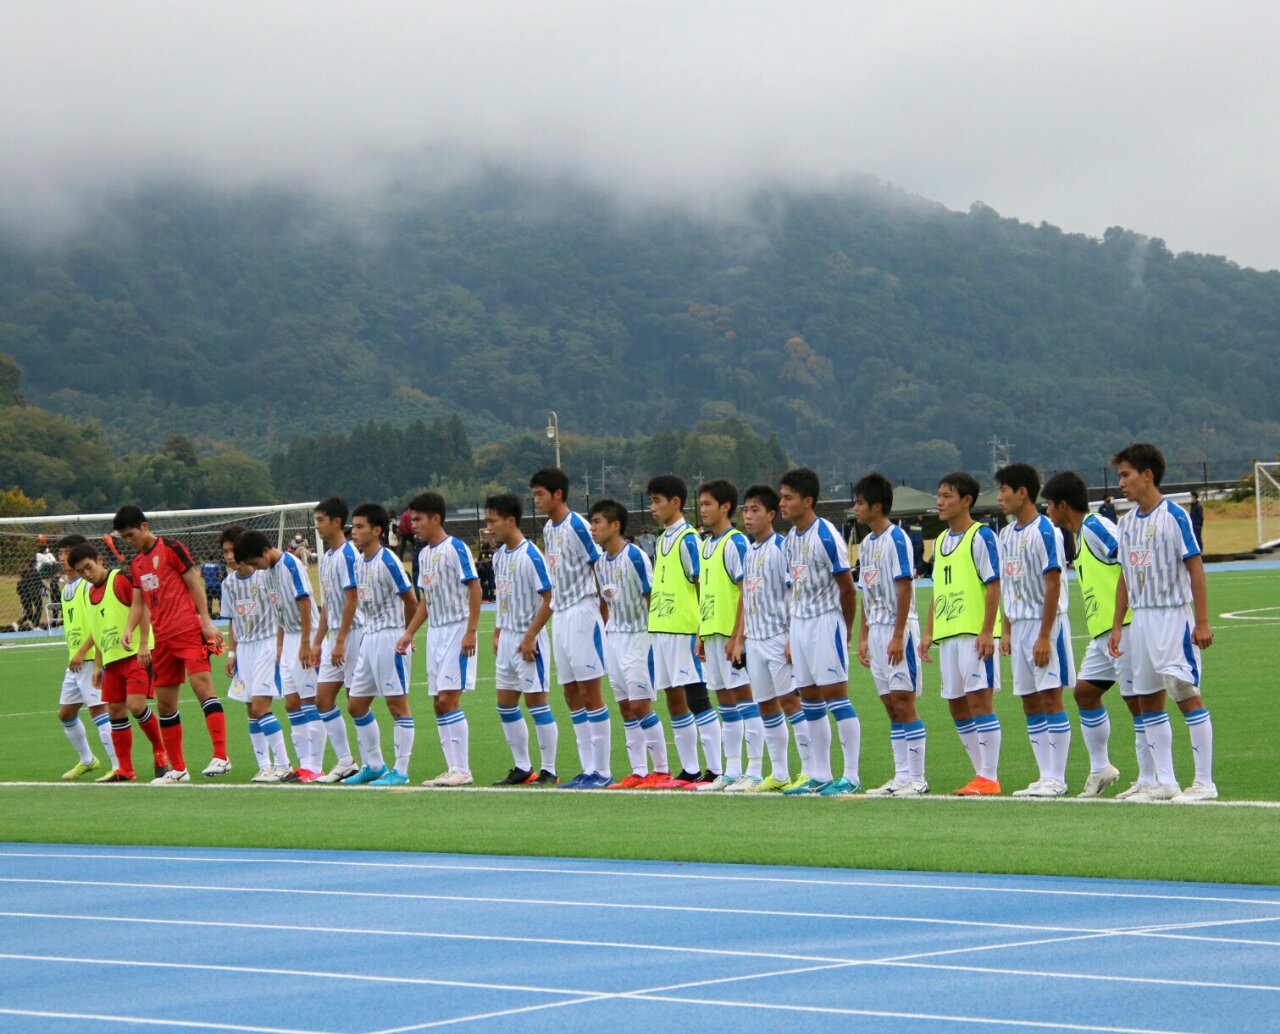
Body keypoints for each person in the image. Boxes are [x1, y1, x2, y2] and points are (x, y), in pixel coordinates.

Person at [1110, 443, 1216, 802]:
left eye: (1126, 475)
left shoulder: (1174, 516)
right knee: (1147, 700)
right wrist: (1116, 625)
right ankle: (1165, 781)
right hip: (1140, 621)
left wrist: (1201, 622)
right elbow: (1124, 575)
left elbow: (1195, 566)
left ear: (1147, 475)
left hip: (1173, 617)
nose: (1121, 483)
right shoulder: (1124, 525)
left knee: (1185, 694)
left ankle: (1204, 782)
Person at [114, 506, 230, 783]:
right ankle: (178, 769)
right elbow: (139, 601)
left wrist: (205, 622)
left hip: (188, 630)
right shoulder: (137, 564)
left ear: (143, 526)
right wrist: (133, 632)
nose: (129, 541)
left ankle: (222, 757)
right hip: (162, 638)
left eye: (131, 535)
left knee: (202, 687)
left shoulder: (171, 548)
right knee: (165, 705)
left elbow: (194, 583)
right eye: (124, 538)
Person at [1042, 471, 1131, 798]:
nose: (1047, 511)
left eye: (1049, 505)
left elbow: (1131, 560)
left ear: (1063, 505)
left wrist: (1122, 621)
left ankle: (1153, 776)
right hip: (1102, 635)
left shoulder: (1095, 527)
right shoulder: (1080, 534)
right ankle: (1101, 768)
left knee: (1139, 701)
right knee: (1085, 693)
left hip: (1124, 628)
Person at [778, 467, 861, 797]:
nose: (782, 503)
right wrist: (789, 633)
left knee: (837, 698)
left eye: (788, 498)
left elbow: (848, 589)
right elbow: (791, 591)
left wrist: (847, 628)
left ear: (807, 501)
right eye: (781, 497)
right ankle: (820, 773)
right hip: (799, 626)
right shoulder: (788, 542)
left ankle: (851, 776)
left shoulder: (826, 535)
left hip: (826, 622)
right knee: (809, 701)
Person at [919, 472, 1003, 796]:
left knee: (980, 701)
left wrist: (987, 631)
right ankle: (980, 775)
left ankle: (989, 777)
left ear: (966, 500)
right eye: (938, 495)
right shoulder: (940, 542)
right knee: (956, 704)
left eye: (947, 496)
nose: (939, 502)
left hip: (973, 634)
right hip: (948, 634)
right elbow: (939, 589)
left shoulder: (981, 536)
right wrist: (929, 632)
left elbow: (993, 584)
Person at [994, 463, 1075, 798]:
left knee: (1050, 697)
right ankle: (1044, 775)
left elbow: (1052, 585)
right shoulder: (1005, 534)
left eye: (1003, 491)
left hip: (1047, 626)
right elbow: (1009, 584)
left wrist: (1044, 635)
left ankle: (1057, 777)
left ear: (1022, 492)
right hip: (1020, 624)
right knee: (1029, 701)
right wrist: (1008, 628)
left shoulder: (1046, 531)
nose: (999, 497)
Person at [530, 468, 612, 789]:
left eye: (540, 494)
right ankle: (587, 768)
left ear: (558, 494)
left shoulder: (578, 525)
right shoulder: (550, 528)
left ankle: (602, 771)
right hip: (560, 614)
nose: (535, 500)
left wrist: (605, 616)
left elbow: (599, 566)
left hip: (583, 612)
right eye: (534, 494)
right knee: (570, 694)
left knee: (591, 693)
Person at [398, 491, 481, 787]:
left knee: (449, 699)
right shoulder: (423, 554)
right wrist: (409, 632)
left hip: (457, 631)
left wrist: (471, 631)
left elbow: (475, 588)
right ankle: (453, 768)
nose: (413, 525)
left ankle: (463, 769)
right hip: (436, 634)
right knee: (437, 702)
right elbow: (426, 601)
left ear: (436, 518)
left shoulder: (455, 548)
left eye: (418, 519)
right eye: (412, 520)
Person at [67, 541, 167, 782]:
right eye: (81, 572)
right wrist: (99, 665)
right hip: (112, 660)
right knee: (115, 712)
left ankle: (160, 752)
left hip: (135, 655)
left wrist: (144, 643)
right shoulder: (90, 594)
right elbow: (98, 632)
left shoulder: (119, 579)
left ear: (100, 560)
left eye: (89, 568)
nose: (87, 575)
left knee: (135, 705)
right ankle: (125, 769)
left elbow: (141, 608)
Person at [853, 475, 927, 796]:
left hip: (900, 631)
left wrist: (898, 635)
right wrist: (864, 636)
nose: (855, 508)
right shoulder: (866, 544)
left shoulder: (897, 539)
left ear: (877, 506)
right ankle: (900, 776)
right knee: (888, 704)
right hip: (878, 631)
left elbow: (905, 587)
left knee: (904, 701)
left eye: (859, 503)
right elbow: (866, 594)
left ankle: (918, 779)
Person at [729, 483, 807, 792]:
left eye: (755, 510)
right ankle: (779, 773)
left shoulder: (782, 548)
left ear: (771, 514)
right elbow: (747, 599)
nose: (748, 516)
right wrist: (739, 639)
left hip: (778, 637)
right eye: (745, 510)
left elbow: (795, 593)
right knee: (766, 706)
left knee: (791, 701)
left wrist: (792, 637)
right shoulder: (749, 552)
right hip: (756, 641)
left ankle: (810, 770)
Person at [588, 498, 669, 789]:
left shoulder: (635, 556)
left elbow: (651, 596)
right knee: (624, 706)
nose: (592, 528)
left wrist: (654, 636)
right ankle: (638, 771)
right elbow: (605, 603)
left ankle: (661, 770)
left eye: (597, 522)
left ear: (615, 525)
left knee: (640, 704)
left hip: (639, 637)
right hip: (615, 639)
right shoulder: (598, 563)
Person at [645, 474, 717, 789]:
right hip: (662, 630)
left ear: (675, 502)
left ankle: (714, 769)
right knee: (674, 699)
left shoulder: (689, 538)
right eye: (650, 501)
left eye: (657, 501)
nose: (652, 508)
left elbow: (702, 583)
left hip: (686, 631)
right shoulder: (662, 540)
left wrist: (702, 629)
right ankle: (689, 769)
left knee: (697, 697)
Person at [236, 530, 325, 781]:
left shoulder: (291, 564)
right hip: (287, 641)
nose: (256, 568)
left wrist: (306, 643)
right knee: (291, 703)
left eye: (255, 562)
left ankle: (316, 767)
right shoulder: (266, 573)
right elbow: (279, 612)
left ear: (265, 551)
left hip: (304, 636)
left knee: (310, 702)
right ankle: (304, 764)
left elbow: (305, 603)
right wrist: (279, 645)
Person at [486, 493, 559, 785]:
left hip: (530, 641)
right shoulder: (498, 556)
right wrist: (496, 630)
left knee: (537, 704)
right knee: (505, 705)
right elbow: (503, 599)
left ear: (511, 521)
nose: (489, 527)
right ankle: (522, 767)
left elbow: (550, 598)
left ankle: (550, 770)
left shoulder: (531, 556)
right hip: (506, 640)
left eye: (493, 521)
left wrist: (530, 636)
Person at [344, 503, 417, 786]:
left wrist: (407, 634)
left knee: (398, 707)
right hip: (369, 638)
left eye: (360, 526)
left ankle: (401, 770)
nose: (354, 531)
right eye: (354, 525)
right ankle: (374, 765)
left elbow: (411, 601)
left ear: (377, 530)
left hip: (390, 637)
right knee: (356, 705)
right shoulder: (358, 562)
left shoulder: (388, 560)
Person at [696, 479, 762, 792]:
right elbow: (706, 593)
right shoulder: (706, 544)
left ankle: (756, 770)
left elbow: (745, 592)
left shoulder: (736, 542)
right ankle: (732, 769)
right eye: (701, 504)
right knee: (725, 704)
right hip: (711, 633)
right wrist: (700, 632)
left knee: (746, 700)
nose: (702, 509)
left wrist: (738, 637)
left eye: (708, 504)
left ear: (726, 507)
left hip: (733, 636)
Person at [219, 526, 293, 783]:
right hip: (245, 650)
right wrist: (232, 653)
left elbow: (282, 609)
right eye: (225, 551)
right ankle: (265, 765)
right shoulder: (227, 584)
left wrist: (280, 646)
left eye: (232, 551)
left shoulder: (264, 576)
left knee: (261, 707)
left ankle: (284, 765)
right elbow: (231, 621)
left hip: (267, 645)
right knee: (251, 710)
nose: (229, 556)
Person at [54, 534, 118, 779]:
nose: (63, 558)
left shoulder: (88, 585)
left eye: (68, 553)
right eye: (60, 553)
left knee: (99, 712)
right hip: (75, 662)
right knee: (66, 714)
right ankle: (88, 760)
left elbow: (99, 622)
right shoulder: (67, 587)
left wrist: (83, 651)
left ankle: (118, 765)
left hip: (90, 658)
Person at [310, 498, 364, 784]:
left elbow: (351, 601)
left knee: (356, 702)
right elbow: (328, 604)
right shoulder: (327, 557)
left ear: (335, 522)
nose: (316, 526)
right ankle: (346, 762)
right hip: (335, 637)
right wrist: (319, 641)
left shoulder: (347, 555)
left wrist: (341, 640)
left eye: (320, 520)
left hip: (353, 634)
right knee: (323, 699)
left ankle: (372, 761)